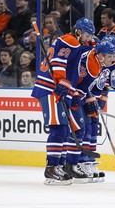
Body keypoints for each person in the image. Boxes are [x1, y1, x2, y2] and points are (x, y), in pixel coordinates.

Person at [31, 17, 95, 185]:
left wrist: (72, 93)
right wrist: (61, 82)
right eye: (88, 35)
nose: (89, 39)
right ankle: (51, 168)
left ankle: (57, 165)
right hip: (50, 88)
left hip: (55, 88)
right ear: (79, 31)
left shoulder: (75, 43)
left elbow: (71, 69)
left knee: (64, 130)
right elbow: (59, 62)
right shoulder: (70, 40)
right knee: (59, 129)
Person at [77, 36, 115, 182]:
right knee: (85, 129)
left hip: (89, 98)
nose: (113, 58)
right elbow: (83, 84)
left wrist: (98, 102)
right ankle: (80, 162)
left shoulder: (105, 67)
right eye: (110, 55)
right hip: (80, 98)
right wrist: (90, 100)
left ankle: (88, 161)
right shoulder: (91, 62)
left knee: (93, 128)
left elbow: (100, 87)